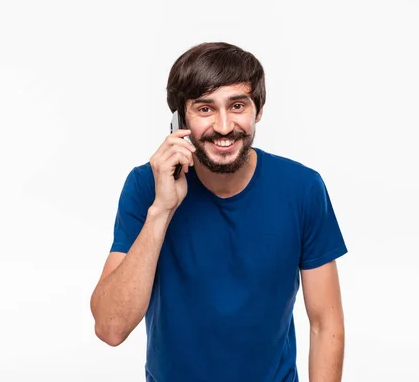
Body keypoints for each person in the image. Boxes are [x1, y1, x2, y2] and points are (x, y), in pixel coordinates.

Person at [90, 42, 348, 382]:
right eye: (205, 109)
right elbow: (111, 328)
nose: (224, 126)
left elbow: (325, 323)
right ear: (180, 119)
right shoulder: (146, 186)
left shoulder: (302, 188)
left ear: (258, 110)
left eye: (237, 105)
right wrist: (161, 210)